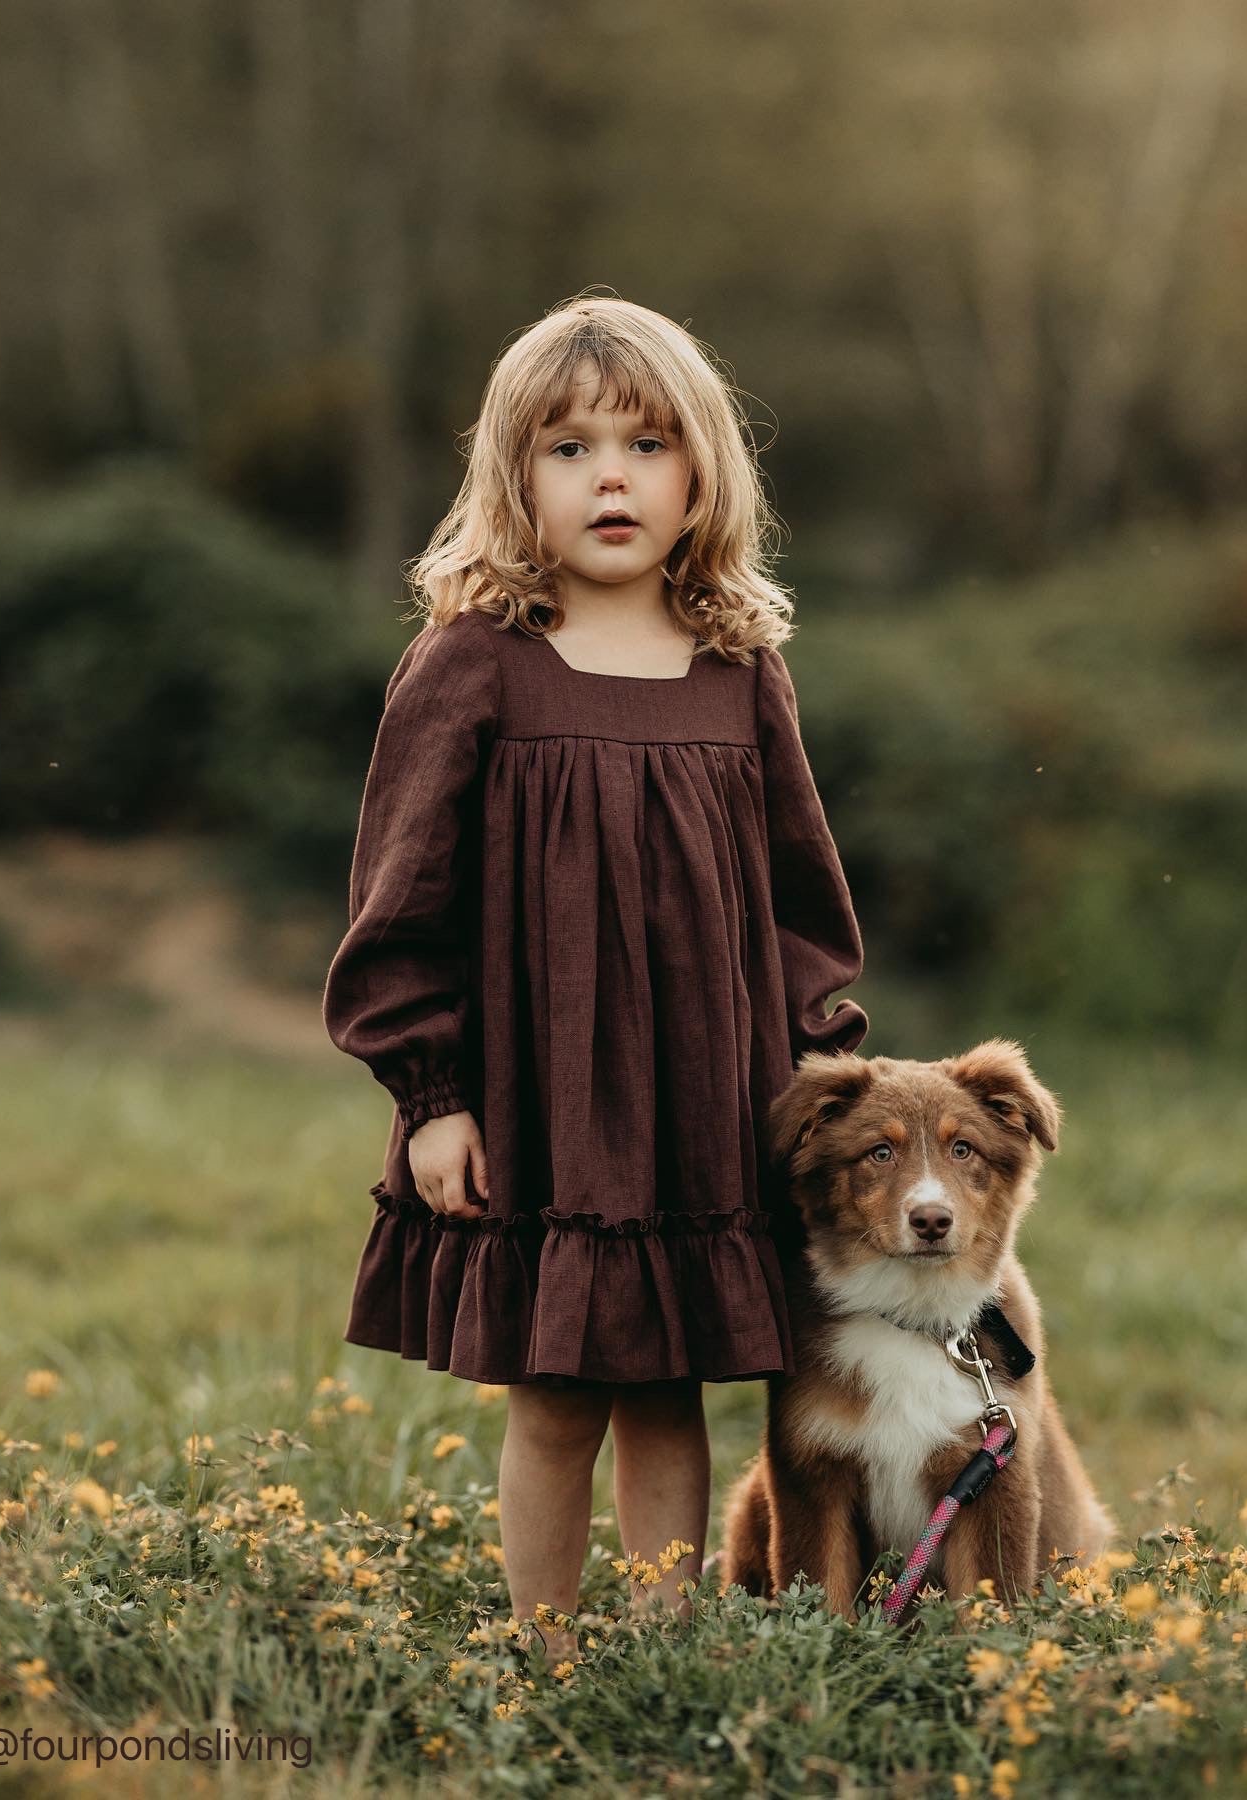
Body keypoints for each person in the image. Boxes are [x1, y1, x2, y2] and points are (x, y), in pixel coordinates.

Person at [322, 293, 869, 1666]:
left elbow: (805, 897)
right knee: (558, 1394)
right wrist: (432, 1093)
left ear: (701, 476)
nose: (610, 476)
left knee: (669, 1392)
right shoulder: (472, 667)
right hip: (543, 1103)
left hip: (704, 1106)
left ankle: (661, 1660)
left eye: (645, 444)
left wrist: (820, 1066)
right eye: (567, 449)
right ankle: (550, 1662)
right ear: (513, 479)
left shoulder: (740, 673)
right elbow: (401, 897)